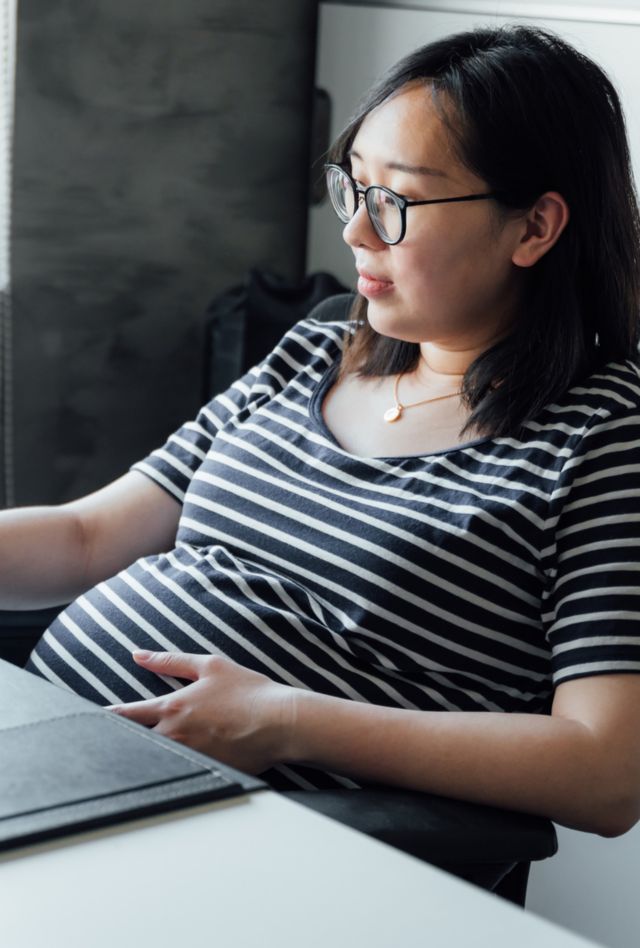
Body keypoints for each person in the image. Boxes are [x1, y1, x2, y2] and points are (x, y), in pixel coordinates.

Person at [3, 23, 640, 836]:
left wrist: (290, 720)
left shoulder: (603, 441)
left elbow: (607, 770)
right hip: (56, 767)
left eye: (396, 202)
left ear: (535, 228)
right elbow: (89, 537)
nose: (356, 233)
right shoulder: (317, 351)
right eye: (353, 187)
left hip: (238, 839)